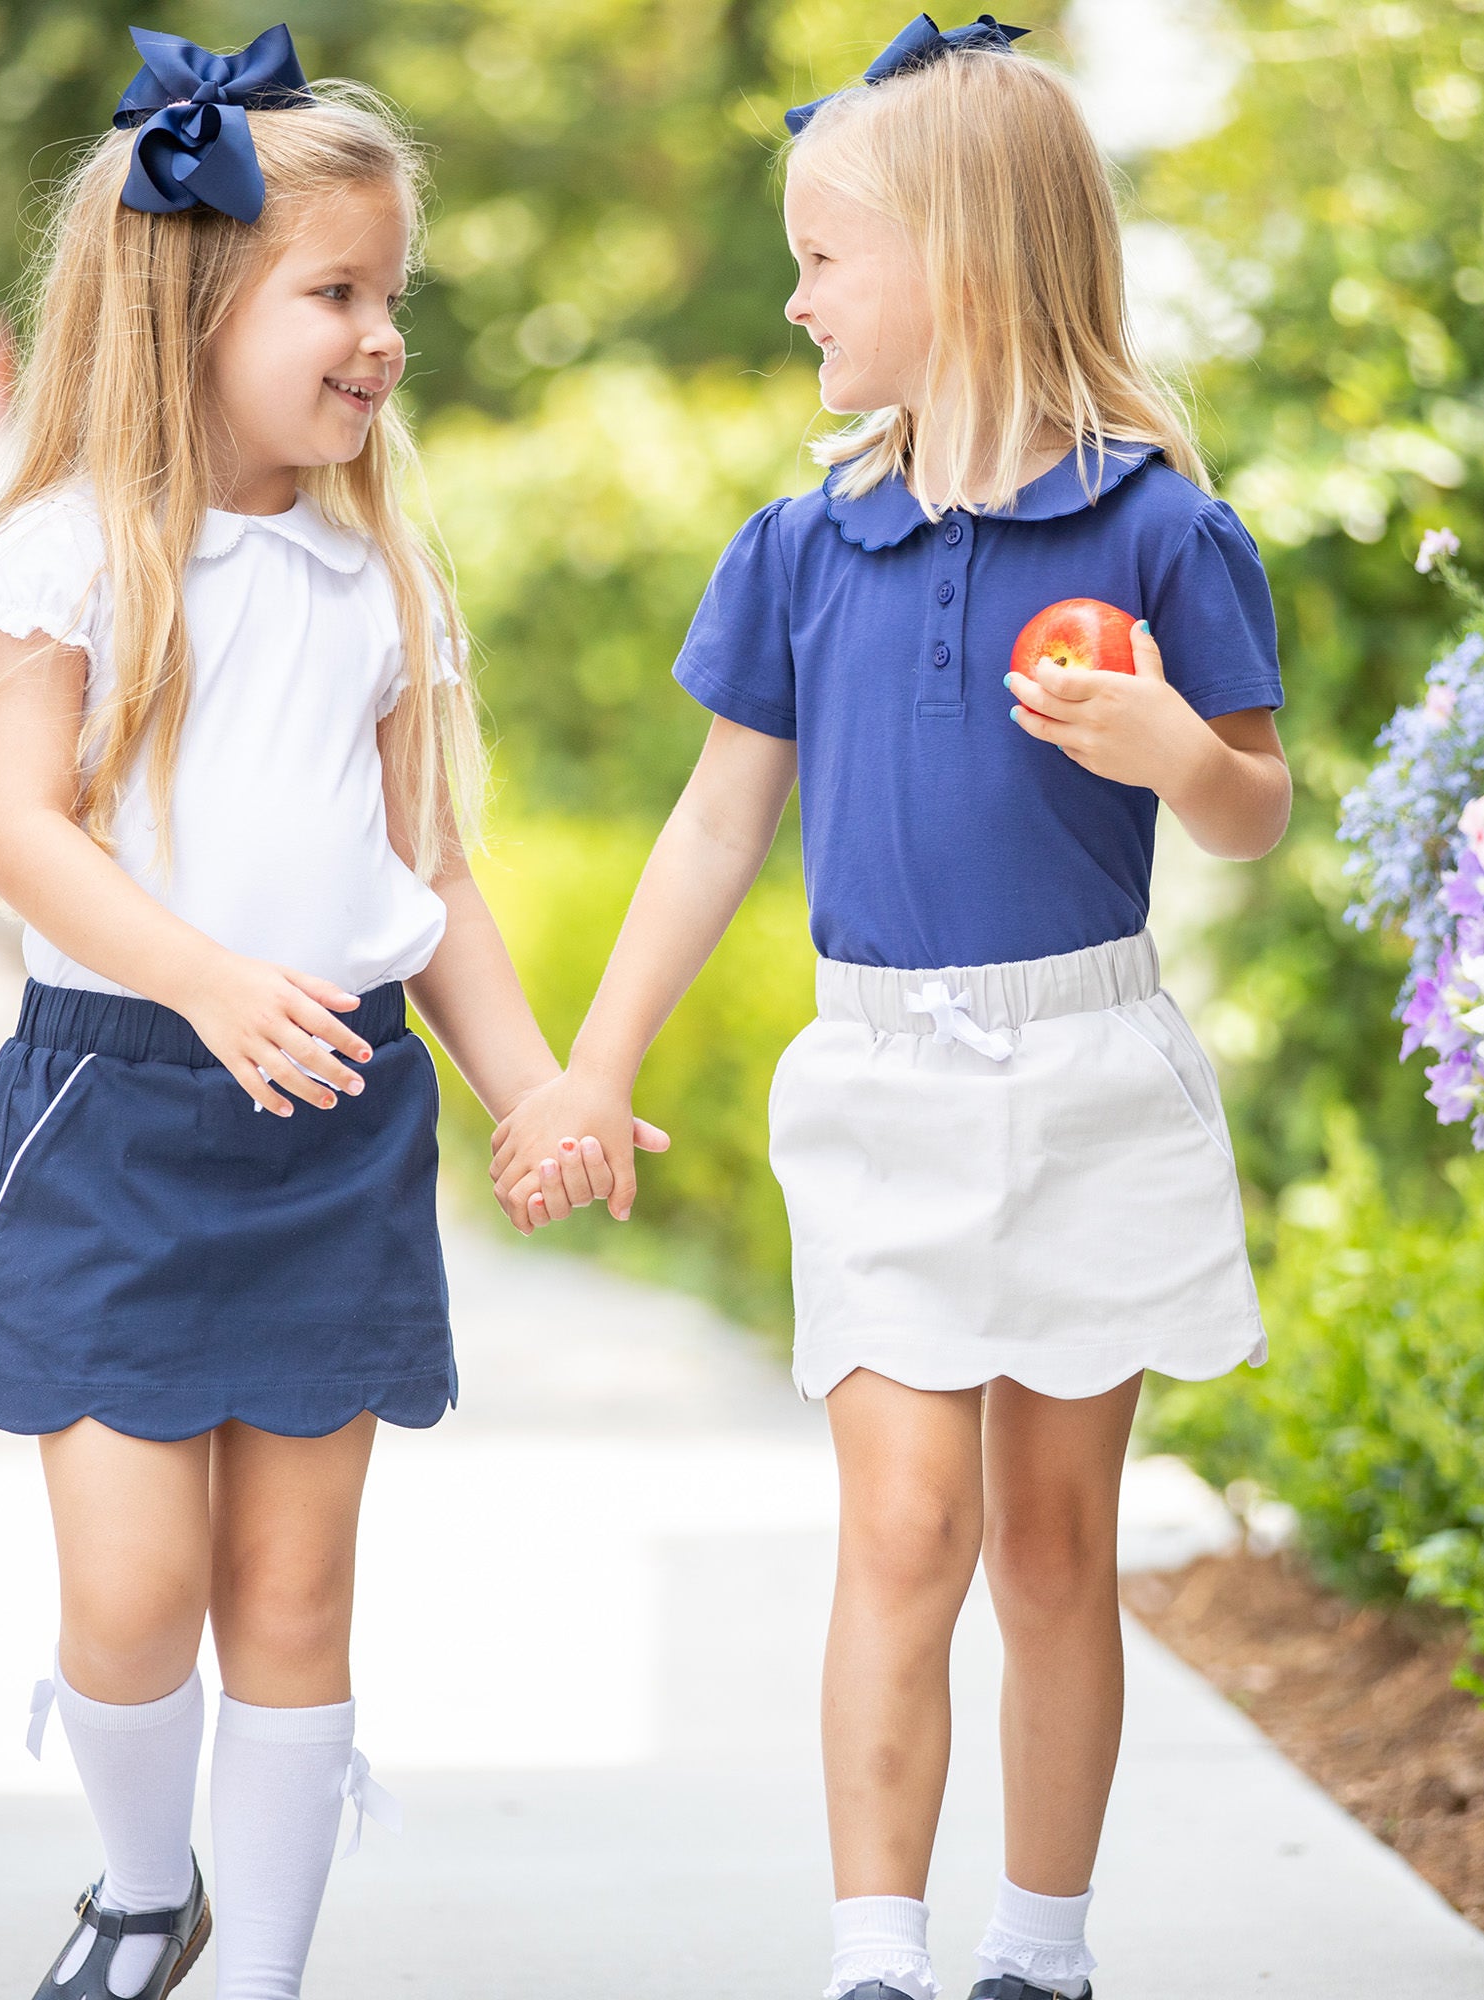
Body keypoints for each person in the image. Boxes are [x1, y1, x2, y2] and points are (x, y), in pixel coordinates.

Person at [488, 16, 1291, 1999]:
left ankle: (1037, 1951)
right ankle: (871, 1955)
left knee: (1047, 1546)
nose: (792, 296)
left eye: (824, 257)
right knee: (904, 1528)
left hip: (1087, 1067)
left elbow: (1254, 810)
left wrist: (1168, 738)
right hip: (886, 1078)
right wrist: (594, 1060)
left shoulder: (1160, 532)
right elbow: (706, 831)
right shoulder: (799, 546)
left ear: (961, 258)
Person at [0, 26, 647, 2000]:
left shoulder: (378, 578)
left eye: (389, 295)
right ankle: (147, 1886)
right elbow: (12, 824)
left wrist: (531, 1084)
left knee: (295, 1592)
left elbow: (432, 884)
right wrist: (208, 980)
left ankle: (265, 1973)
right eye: (334, 292)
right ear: (193, 305)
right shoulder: (68, 551)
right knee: (135, 1597)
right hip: (119, 1109)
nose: (378, 336)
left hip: (332, 1124)